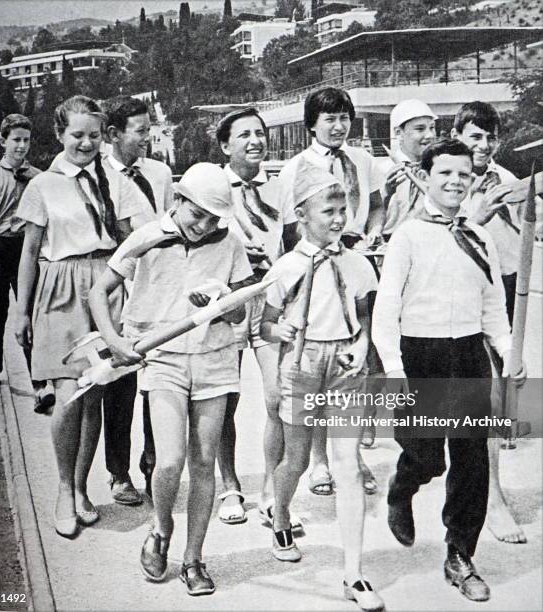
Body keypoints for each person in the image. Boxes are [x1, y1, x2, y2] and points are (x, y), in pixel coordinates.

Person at [372, 139, 526, 602]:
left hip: (468, 356)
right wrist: (396, 370)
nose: (456, 181)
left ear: (474, 180)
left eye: (464, 174)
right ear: (425, 176)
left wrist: (508, 349)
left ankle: (460, 553)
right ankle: (402, 487)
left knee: (472, 459)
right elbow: (385, 314)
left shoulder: (479, 238)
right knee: (427, 457)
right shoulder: (407, 237)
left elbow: (493, 307)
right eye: (445, 173)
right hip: (420, 356)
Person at [88, 163, 252, 596]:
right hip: (162, 360)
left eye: (213, 218)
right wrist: (113, 339)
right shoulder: (146, 237)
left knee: (203, 464)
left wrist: (221, 298)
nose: (204, 226)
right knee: (169, 460)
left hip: (216, 361)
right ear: (178, 199)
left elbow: (242, 311)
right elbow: (98, 291)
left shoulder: (230, 242)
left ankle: (194, 559)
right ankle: (160, 527)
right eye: (197, 214)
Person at [15, 95, 147, 538]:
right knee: (68, 393)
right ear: (59, 135)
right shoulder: (42, 186)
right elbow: (30, 252)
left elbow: (132, 240)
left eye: (94, 135)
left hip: (105, 285)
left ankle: (79, 488)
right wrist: (22, 312)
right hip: (59, 288)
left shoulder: (116, 179)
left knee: (93, 395)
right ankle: (61, 490)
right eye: (77, 135)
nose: (86, 143)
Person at [261, 161, 384, 612]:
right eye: (327, 210)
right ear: (301, 216)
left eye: (343, 208)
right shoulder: (286, 269)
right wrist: (284, 334)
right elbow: (266, 326)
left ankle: (354, 574)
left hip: (346, 365)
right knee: (294, 458)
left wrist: (363, 342)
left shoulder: (357, 264)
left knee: (347, 464)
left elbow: (365, 316)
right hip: (303, 363)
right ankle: (279, 516)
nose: (338, 218)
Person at [277, 87, 384, 495]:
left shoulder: (363, 159)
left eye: (344, 117)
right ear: (311, 125)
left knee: (355, 362)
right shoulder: (296, 167)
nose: (339, 126)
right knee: (318, 370)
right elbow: (291, 229)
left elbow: (375, 205)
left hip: (356, 261)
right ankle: (320, 462)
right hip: (316, 268)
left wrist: (372, 233)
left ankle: (350, 456)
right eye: (329, 119)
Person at [215, 107, 300, 527]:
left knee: (278, 397)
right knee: (223, 402)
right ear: (225, 145)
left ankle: (271, 491)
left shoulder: (281, 187)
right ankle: (230, 486)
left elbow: (291, 241)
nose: (255, 141)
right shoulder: (212, 187)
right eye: (244, 134)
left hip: (271, 301)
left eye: (260, 133)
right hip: (228, 303)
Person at [452, 100, 526, 544]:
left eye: (490, 136)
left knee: (494, 395)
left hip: (500, 291)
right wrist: (476, 216)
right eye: (475, 135)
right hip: (454, 295)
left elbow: (525, 239)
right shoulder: (446, 176)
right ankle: (479, 494)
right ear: (459, 135)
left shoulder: (511, 181)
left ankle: (492, 496)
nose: (483, 144)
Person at [100, 95, 175, 504]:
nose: (148, 138)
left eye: (150, 129)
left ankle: (153, 464)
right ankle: (118, 472)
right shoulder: (99, 177)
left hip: (155, 294)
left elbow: (169, 229)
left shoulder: (160, 174)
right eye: (140, 131)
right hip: (116, 292)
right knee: (120, 386)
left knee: (156, 383)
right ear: (114, 134)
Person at [0, 113, 54, 411]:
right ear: (3, 141)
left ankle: (39, 383)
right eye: (16, 140)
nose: (21, 146)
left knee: (29, 316)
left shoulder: (39, 178)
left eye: (26, 140)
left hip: (25, 250)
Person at [381, 99, 437, 239]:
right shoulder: (382, 170)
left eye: (432, 127)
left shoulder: (438, 170)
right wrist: (385, 194)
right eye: (420, 129)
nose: (430, 135)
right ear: (399, 133)